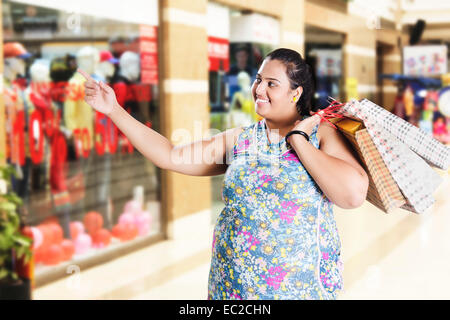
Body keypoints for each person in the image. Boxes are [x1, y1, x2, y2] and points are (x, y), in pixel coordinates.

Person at [79, 48, 369, 300]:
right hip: (231, 286)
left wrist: (296, 139)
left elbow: (353, 195)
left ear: (296, 92)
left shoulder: (322, 133)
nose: (258, 90)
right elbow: (169, 156)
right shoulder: (240, 139)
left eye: (272, 83)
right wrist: (114, 110)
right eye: (258, 80)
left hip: (298, 289)